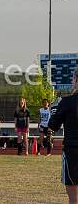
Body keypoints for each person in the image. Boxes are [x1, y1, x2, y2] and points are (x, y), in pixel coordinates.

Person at [48, 67, 78, 204]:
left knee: (73, 197)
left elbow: (53, 126)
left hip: (72, 150)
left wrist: (54, 111)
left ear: (76, 80)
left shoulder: (66, 102)